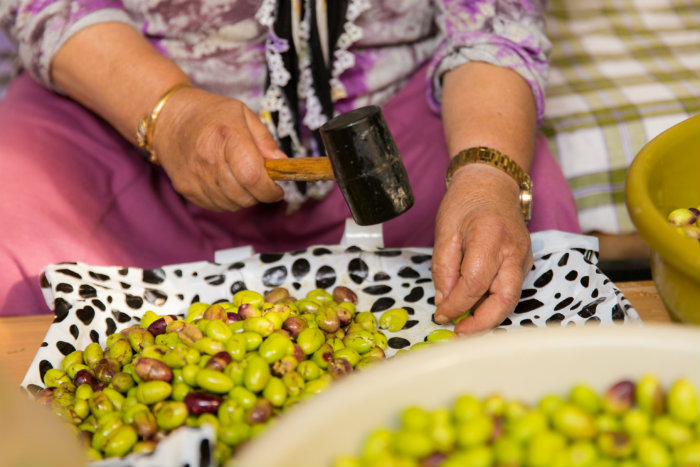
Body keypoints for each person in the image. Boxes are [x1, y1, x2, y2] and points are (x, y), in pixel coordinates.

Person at [0, 0, 580, 334]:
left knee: (519, 238)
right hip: (126, 116)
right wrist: (169, 117)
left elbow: (493, 24)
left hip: (413, 136)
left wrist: (486, 175)